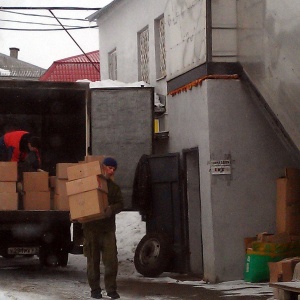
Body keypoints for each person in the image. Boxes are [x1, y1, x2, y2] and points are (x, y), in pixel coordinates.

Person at [83, 157, 124, 299]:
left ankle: (111, 289)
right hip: (91, 228)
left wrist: (112, 209)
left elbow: (120, 204)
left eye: (113, 169)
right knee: (92, 261)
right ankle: (95, 289)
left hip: (107, 229)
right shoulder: (91, 183)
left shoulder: (114, 188)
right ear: (103, 167)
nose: (111, 171)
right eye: (109, 167)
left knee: (111, 261)